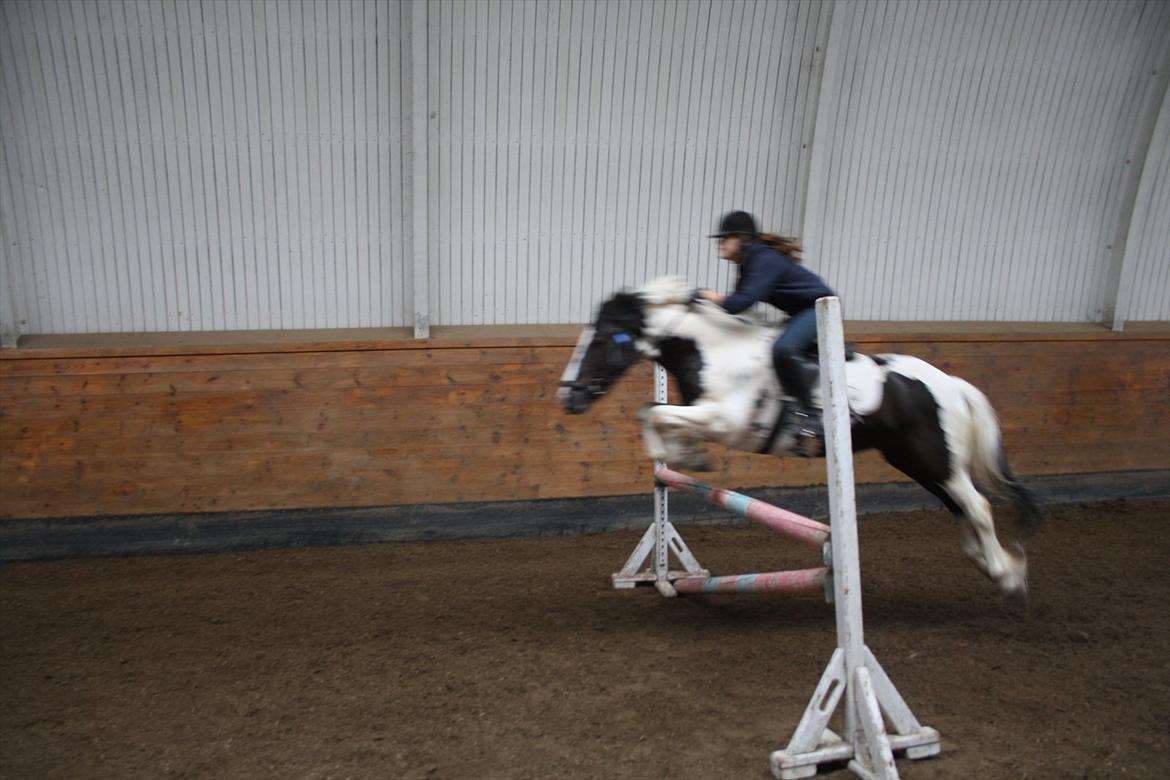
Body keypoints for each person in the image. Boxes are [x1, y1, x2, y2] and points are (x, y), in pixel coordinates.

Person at [697, 210, 836, 450]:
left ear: (740, 238)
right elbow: (737, 310)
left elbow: (737, 303)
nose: (720, 244)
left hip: (822, 311)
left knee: (783, 349)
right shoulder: (749, 261)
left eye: (724, 238)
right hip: (801, 313)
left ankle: (813, 415)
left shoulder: (763, 259)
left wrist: (705, 295)